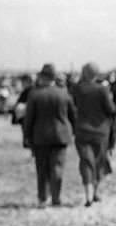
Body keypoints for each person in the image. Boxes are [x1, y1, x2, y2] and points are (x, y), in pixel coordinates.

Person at [23, 64, 76, 207]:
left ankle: (42, 198)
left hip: (40, 137)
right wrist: (74, 132)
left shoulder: (35, 94)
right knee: (57, 168)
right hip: (61, 136)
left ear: (43, 77)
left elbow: (29, 119)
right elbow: (73, 115)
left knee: (42, 169)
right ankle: (56, 197)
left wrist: (26, 136)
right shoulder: (64, 93)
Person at [71, 62, 116, 207]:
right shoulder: (101, 90)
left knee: (86, 162)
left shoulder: (77, 89)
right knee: (98, 162)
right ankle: (95, 191)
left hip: (82, 131)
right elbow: (111, 109)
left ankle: (88, 195)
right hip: (100, 132)